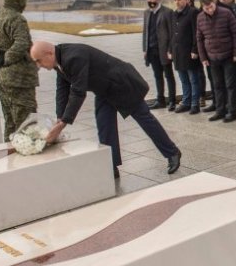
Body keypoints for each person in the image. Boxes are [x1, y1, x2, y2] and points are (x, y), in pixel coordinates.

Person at [30, 41, 181, 177]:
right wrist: (59, 118)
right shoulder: (59, 61)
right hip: (104, 90)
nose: (38, 65)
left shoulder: (73, 57)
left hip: (122, 85)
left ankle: (172, 153)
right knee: (105, 126)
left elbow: (78, 91)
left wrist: (63, 123)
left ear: (49, 53)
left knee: (145, 120)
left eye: (38, 60)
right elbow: (62, 90)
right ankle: (111, 165)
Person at [0, 0, 39, 140]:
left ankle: (10, 155)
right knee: (26, 123)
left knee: (10, 122)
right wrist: (5, 59)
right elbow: (21, 43)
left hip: (2, 78)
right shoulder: (16, 19)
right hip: (19, 79)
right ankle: (26, 157)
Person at [196, 0, 236, 123]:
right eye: (206, 8)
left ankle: (232, 112)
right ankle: (220, 111)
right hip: (212, 57)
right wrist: (203, 57)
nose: (210, 10)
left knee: (230, 85)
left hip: (228, 56)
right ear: (202, 7)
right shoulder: (200, 18)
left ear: (214, 3)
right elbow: (199, 39)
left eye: (211, 6)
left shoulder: (226, 13)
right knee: (217, 85)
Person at [142, 0, 176, 110]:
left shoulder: (167, 12)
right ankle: (160, 100)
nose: (150, 1)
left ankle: (172, 101)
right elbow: (145, 32)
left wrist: (170, 50)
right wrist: (144, 49)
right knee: (157, 76)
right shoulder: (146, 13)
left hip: (164, 51)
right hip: (152, 51)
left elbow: (172, 33)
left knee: (169, 76)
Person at [170, 0, 202, 114]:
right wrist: (170, 49)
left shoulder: (193, 12)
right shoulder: (174, 14)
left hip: (189, 52)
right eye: (175, 0)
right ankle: (186, 102)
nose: (177, 2)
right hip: (177, 52)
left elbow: (196, 33)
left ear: (185, 0)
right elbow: (172, 33)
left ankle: (195, 104)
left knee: (193, 79)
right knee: (183, 79)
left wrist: (195, 49)